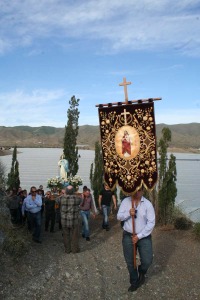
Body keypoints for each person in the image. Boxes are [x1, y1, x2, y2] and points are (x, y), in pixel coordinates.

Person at [117, 187, 155, 292]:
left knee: (147, 260)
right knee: (130, 261)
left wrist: (139, 236)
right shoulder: (126, 201)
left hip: (144, 236)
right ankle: (134, 282)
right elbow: (119, 217)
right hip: (128, 235)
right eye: (135, 190)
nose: (137, 192)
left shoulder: (147, 204)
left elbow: (151, 223)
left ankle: (142, 271)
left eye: (139, 190)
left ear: (143, 191)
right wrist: (128, 213)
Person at [56, 185, 81, 254]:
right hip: (74, 220)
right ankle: (74, 250)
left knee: (66, 235)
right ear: (73, 191)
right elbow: (80, 201)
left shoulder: (61, 198)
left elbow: (56, 200)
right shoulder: (77, 198)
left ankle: (67, 250)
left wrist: (64, 194)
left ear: (66, 191)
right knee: (74, 236)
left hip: (64, 220)